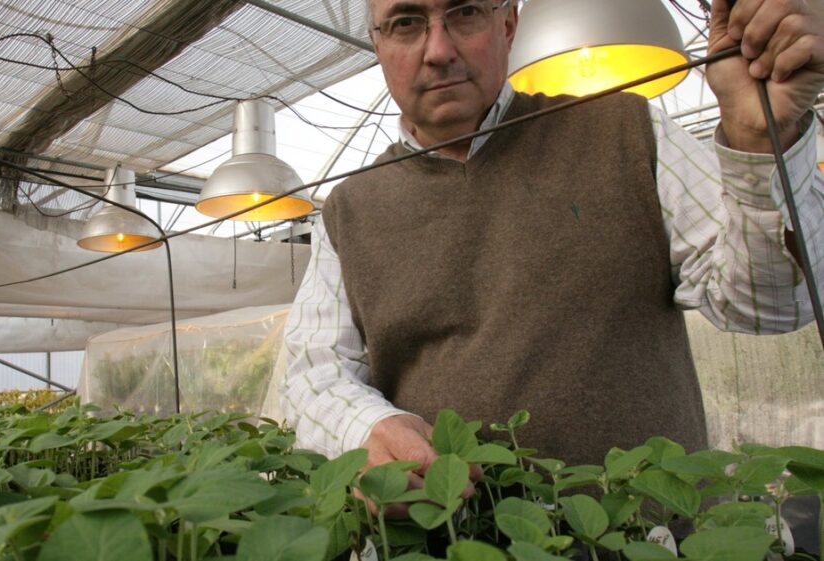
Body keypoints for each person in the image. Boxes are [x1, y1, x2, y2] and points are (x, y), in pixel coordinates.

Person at [281, 0, 824, 505]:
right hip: (451, 540)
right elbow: (315, 371)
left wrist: (758, 138)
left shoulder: (626, 132)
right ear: (378, 45)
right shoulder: (350, 209)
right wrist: (368, 430)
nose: (439, 49)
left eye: (465, 12)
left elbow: (768, 305)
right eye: (405, 22)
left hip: (654, 534)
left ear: (508, 25)